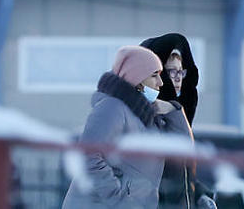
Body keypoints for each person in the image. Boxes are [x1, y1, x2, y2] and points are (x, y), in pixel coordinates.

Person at [62, 46, 166, 209]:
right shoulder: (112, 107)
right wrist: (118, 200)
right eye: (154, 76)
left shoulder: (144, 115)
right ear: (137, 78)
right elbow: (89, 155)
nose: (160, 83)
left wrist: (175, 110)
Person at [141, 33, 217, 209]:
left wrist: (200, 194)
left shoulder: (174, 116)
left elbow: (182, 174)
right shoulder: (143, 119)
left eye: (180, 71)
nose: (177, 77)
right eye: (170, 71)